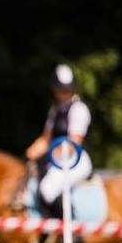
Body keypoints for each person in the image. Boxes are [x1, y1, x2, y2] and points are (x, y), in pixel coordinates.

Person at [25, 63, 93, 218]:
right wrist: (28, 155)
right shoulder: (55, 110)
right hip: (58, 159)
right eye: (61, 89)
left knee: (47, 189)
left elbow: (73, 144)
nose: (64, 92)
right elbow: (45, 139)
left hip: (76, 159)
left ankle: (72, 231)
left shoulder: (79, 109)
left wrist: (47, 157)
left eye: (67, 89)